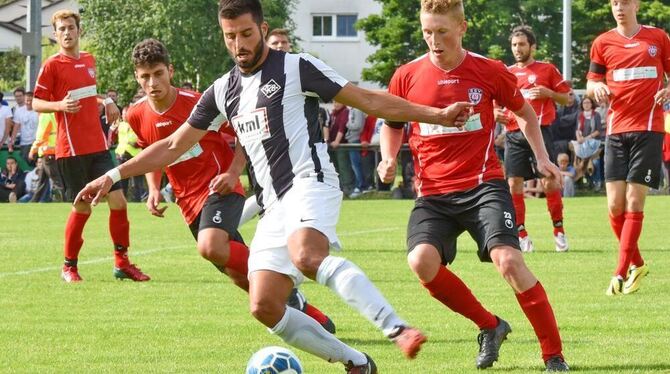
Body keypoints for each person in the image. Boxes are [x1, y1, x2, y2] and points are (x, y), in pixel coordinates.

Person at [75, 0, 479, 371]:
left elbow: (367, 100)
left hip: (311, 181)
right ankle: (356, 362)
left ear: (263, 29)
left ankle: (396, 328)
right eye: (230, 36)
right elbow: (172, 145)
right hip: (272, 204)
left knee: (306, 255)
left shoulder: (296, 67)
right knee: (264, 304)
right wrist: (110, 176)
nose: (238, 44)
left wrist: (437, 115)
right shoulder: (222, 90)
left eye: (246, 34)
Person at [378, 0, 569, 371]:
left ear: (462, 27)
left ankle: (553, 355)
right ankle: (490, 325)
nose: (434, 40)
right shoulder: (406, 75)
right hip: (433, 194)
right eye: (427, 32)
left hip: (484, 186)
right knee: (421, 261)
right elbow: (392, 122)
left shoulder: (489, 70)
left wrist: (542, 158)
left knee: (510, 261)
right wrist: (388, 158)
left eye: (442, 32)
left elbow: (525, 112)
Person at [126, 38, 335, 332]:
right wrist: (154, 188)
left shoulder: (200, 102)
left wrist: (234, 172)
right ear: (137, 77)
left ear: (170, 71)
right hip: (188, 204)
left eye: (158, 73)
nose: (152, 82)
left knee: (210, 246)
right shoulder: (135, 114)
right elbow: (154, 152)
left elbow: (244, 129)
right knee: (239, 276)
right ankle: (305, 310)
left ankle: (279, 274)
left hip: (220, 188)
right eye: (145, 76)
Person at [32, 10, 149, 282]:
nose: (67, 32)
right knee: (82, 207)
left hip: (98, 147)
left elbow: (86, 94)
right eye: (61, 29)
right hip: (70, 150)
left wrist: (106, 101)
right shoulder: (52, 65)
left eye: (71, 27)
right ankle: (69, 267)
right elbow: (37, 102)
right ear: (55, 34)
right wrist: (59, 105)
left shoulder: (88, 60)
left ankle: (122, 263)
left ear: (79, 30)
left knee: (119, 201)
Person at [586, 0, 670, 295]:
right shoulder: (602, 42)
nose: (619, 7)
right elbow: (591, 81)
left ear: (636, 4)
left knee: (634, 204)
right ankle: (638, 263)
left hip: (648, 130)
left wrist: (668, 88)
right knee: (614, 206)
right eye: (614, 3)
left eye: (624, 1)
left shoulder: (658, 38)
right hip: (615, 131)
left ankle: (620, 273)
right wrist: (596, 88)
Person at [504, 25, 571, 253]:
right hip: (514, 135)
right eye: (514, 45)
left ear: (532, 46)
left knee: (548, 181)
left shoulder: (547, 70)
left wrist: (549, 94)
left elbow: (568, 99)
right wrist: (496, 114)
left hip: (542, 132)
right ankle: (521, 235)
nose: (517, 49)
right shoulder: (506, 73)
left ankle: (559, 231)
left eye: (521, 44)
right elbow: (495, 105)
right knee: (514, 184)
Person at [29, 112, 64, 201]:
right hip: (54, 151)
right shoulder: (54, 114)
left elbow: (41, 136)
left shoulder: (45, 115)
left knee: (57, 182)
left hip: (48, 152)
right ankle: (34, 201)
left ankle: (66, 201)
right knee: (42, 182)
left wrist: (33, 149)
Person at [570, 96, 604, 186]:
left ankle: (597, 182)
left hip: (593, 141)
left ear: (592, 104)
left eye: (588, 102)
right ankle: (582, 182)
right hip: (582, 141)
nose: (586, 105)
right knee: (576, 156)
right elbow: (577, 129)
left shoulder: (596, 115)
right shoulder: (580, 115)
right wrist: (579, 138)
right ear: (582, 105)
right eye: (584, 103)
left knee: (595, 162)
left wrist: (586, 138)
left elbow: (598, 131)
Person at [10, 91, 39, 167]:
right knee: (28, 160)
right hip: (24, 143)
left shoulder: (39, 110)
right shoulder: (19, 111)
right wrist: (12, 141)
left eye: (31, 101)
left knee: (38, 161)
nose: (29, 103)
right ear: (24, 100)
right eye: (27, 100)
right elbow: (16, 127)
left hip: (36, 142)